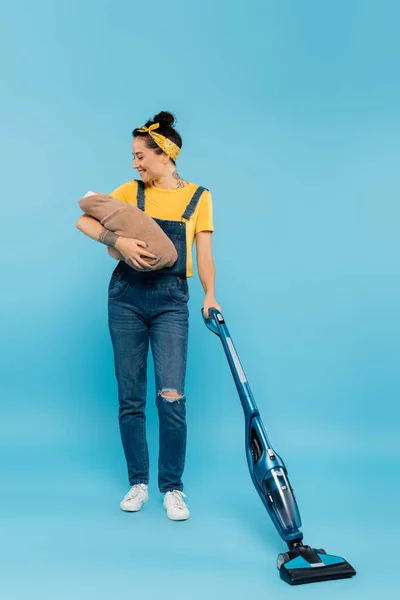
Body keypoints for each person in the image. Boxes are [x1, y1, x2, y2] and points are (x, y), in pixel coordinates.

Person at [76, 110, 221, 520]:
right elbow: (83, 219)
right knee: (131, 396)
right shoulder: (130, 192)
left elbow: (203, 253)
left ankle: (172, 488)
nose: (135, 164)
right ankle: (137, 482)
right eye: (134, 156)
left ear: (166, 155)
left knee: (171, 396)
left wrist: (210, 295)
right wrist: (118, 240)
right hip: (126, 297)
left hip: (172, 300)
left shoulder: (199, 197)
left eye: (141, 156)